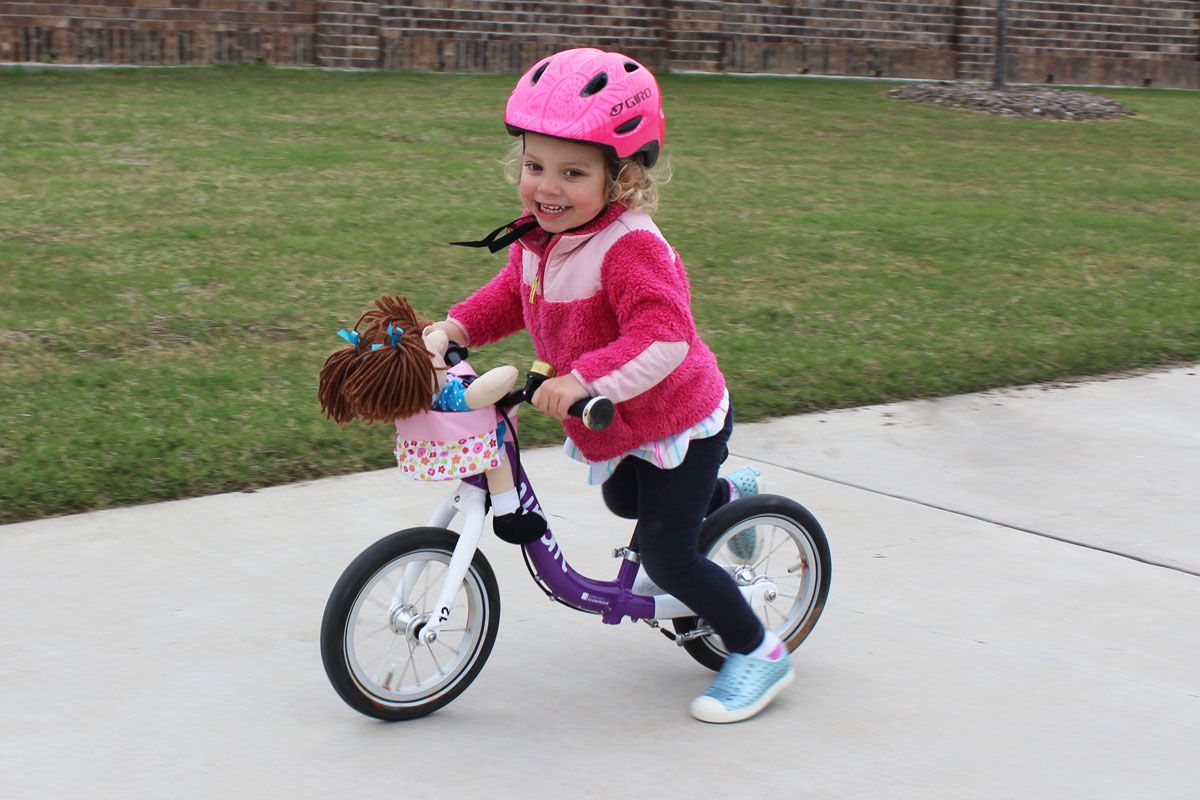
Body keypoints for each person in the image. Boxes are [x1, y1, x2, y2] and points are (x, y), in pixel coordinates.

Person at [427, 47, 791, 723]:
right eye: (535, 167)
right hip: (621, 422)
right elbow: (510, 295)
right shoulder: (541, 237)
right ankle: (722, 499)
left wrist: (581, 377)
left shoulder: (630, 248)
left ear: (619, 179)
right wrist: (454, 328)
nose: (547, 187)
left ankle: (759, 649)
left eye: (572, 172)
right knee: (627, 498)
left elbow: (665, 339)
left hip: (677, 416)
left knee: (667, 556)